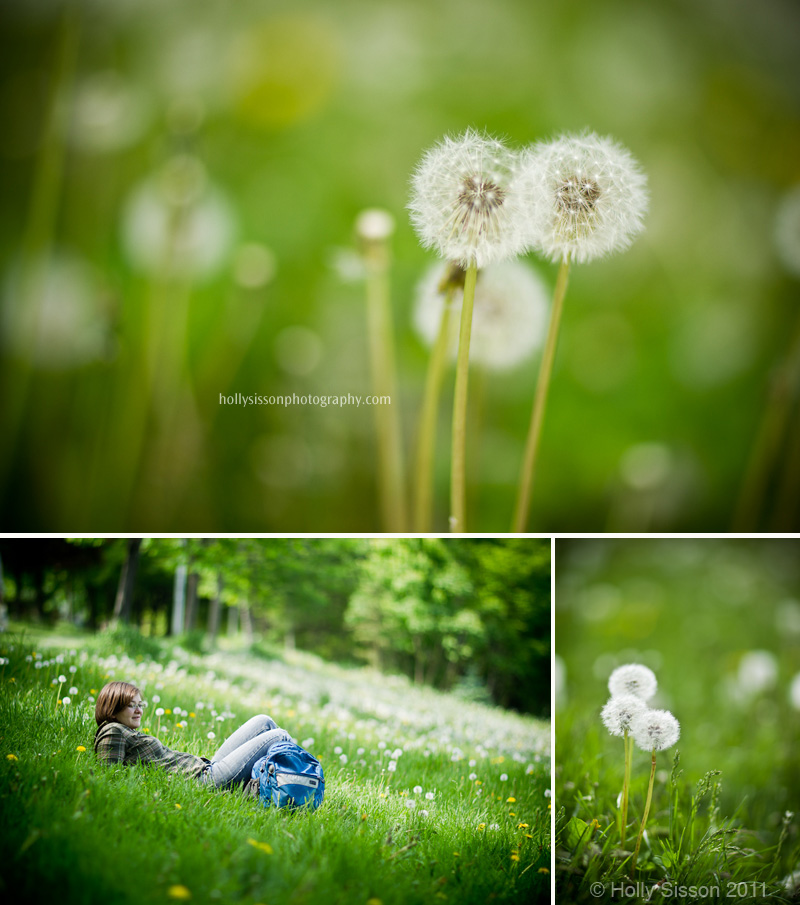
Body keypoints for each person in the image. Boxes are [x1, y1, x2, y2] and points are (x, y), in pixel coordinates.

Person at [93, 681, 290, 791]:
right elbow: (108, 776)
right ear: (112, 708)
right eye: (131, 705)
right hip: (205, 780)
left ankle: (273, 782)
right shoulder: (112, 730)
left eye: (140, 705)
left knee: (263, 721)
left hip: (206, 768)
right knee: (278, 735)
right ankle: (295, 782)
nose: (138, 711)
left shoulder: (126, 731)